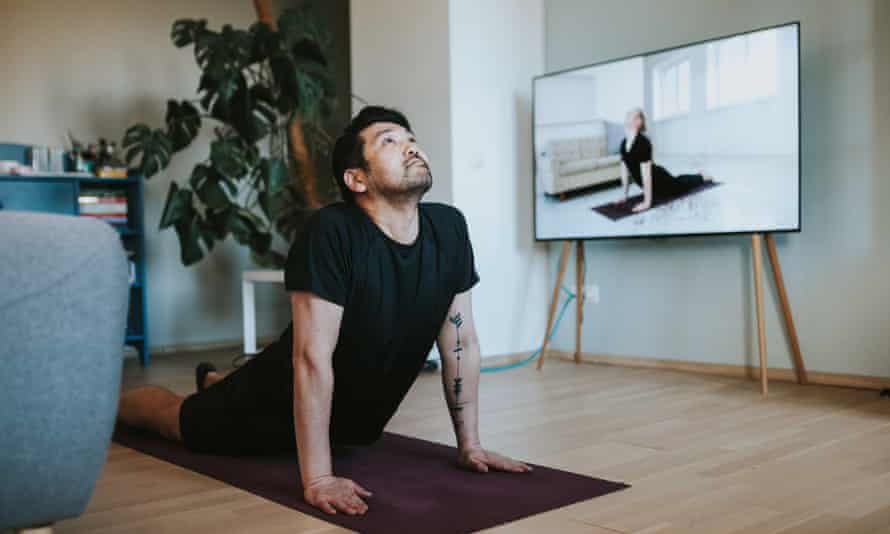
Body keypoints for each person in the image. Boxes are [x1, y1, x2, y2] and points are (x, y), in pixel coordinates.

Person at [116, 106, 532, 517]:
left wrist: (470, 446)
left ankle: (219, 381)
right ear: (356, 179)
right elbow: (311, 359)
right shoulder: (332, 231)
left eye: (411, 139)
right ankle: (109, 406)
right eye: (390, 141)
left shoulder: (449, 228)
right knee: (175, 420)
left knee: (243, 388)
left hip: (349, 423)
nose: (410, 148)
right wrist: (317, 479)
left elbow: (460, 341)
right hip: (275, 403)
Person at [614, 108, 714, 212]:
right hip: (652, 184)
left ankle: (702, 176)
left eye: (631, 116)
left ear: (639, 122)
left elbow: (646, 175)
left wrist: (647, 203)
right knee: (676, 181)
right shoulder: (623, 143)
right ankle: (699, 174)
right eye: (627, 116)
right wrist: (624, 196)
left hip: (660, 179)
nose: (627, 118)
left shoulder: (643, 143)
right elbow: (624, 171)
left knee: (679, 185)